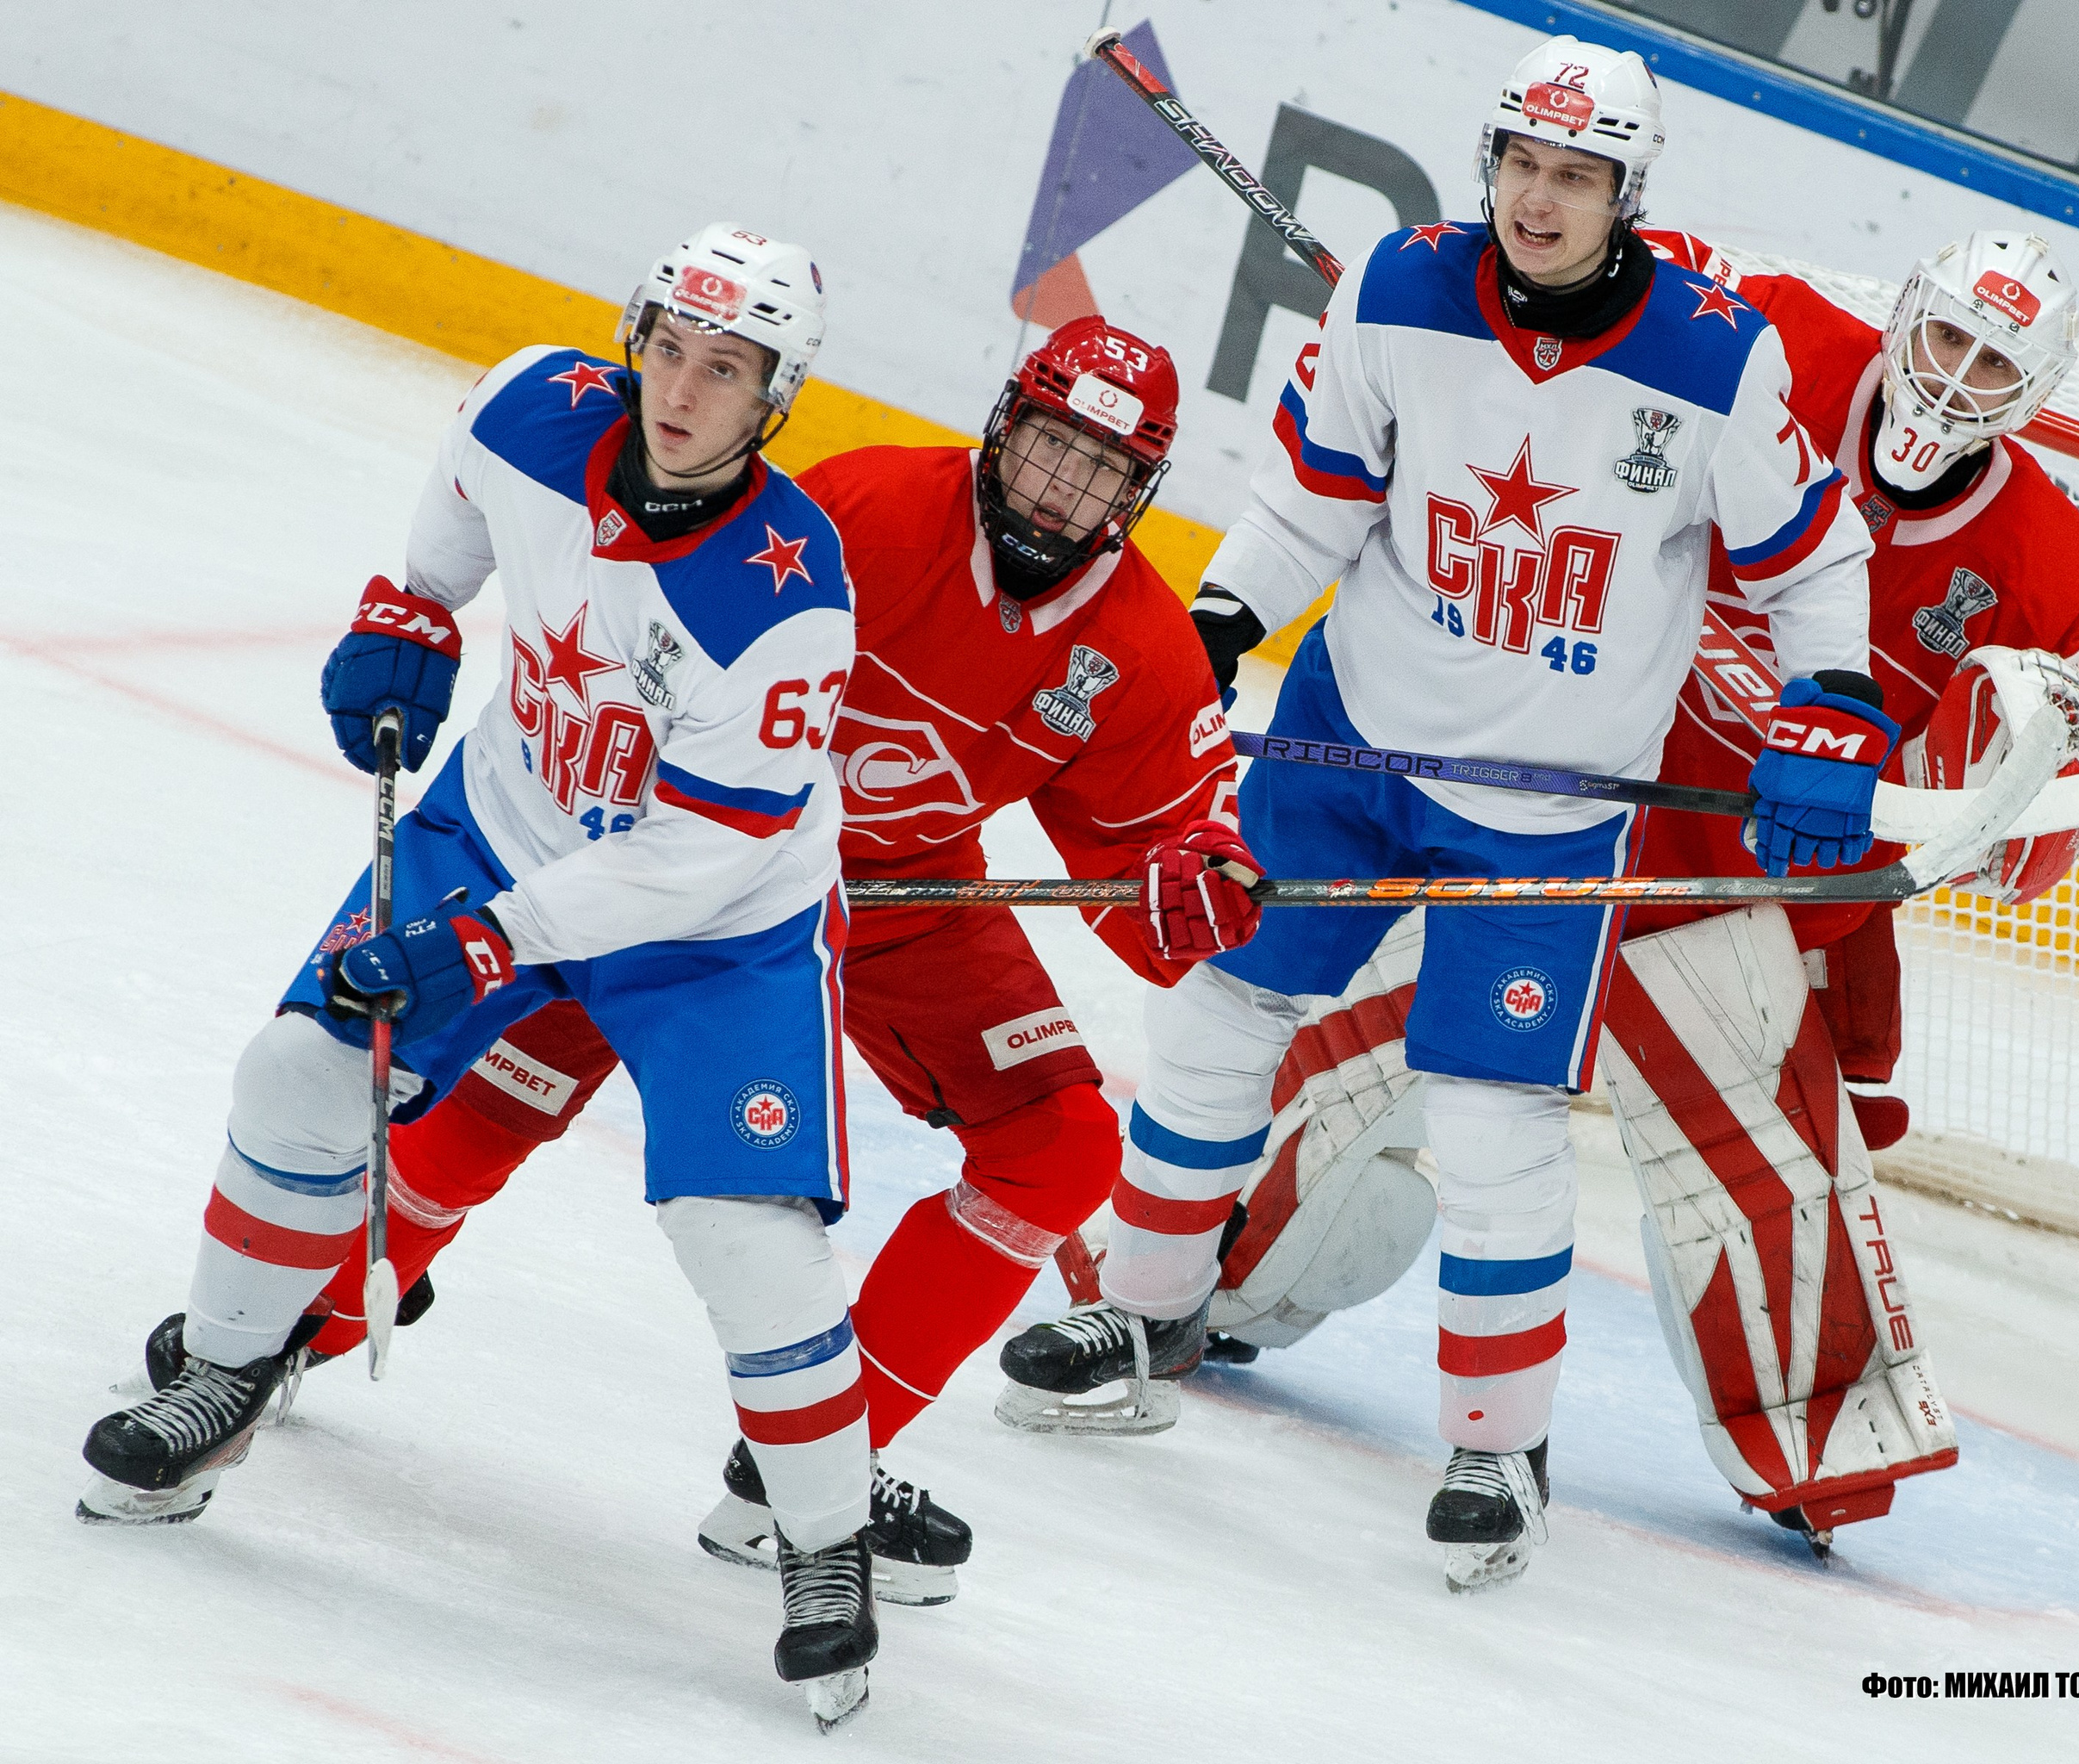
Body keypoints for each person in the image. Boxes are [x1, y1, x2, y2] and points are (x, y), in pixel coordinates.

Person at [146, 315, 1257, 1603]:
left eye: (1103, 471)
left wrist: (1199, 878)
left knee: (1060, 1139)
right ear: (1006, 423)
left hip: (899, 901)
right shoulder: (858, 514)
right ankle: (297, 1327)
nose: (1063, 489)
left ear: (1141, 494)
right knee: (507, 1095)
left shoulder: (1137, 641)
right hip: (685, 878)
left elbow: (1164, 869)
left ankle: (802, 1481)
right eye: (1053, 447)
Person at [997, 34, 1885, 1594]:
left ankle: (1498, 1441)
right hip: (1350, 749)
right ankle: (1143, 1309)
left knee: (1490, 1121)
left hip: (1541, 816)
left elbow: (1813, 562)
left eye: (1578, 176)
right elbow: (1312, 505)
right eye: (1521, 167)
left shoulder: (1718, 360)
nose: (1540, 202)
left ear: (1629, 192)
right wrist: (1212, 626)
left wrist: (1838, 706)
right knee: (1220, 1014)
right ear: (1492, 167)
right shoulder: (1397, 290)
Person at [1188, 227, 2079, 1562]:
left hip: (1741, 892)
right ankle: (1214, 1277)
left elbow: (2018, 830)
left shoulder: (2045, 563)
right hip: (1548, 813)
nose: (1952, 379)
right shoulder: (1777, 335)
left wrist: (1998, 801)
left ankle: (1818, 1443)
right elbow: (1616, 274)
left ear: (2032, 395)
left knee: (1761, 1177)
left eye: (1993, 365)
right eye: (1947, 337)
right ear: (1904, 314)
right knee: (1340, 1078)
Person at [78, 225, 884, 1726]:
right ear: (635, 335)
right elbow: (440, 545)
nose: (683, 391)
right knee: (299, 1069)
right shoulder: (530, 407)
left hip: (718, 924)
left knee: (744, 1231)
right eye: (670, 348)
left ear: (777, 396)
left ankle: (827, 1542)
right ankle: (228, 1373)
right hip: (505, 823)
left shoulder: (789, 595)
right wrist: (406, 619)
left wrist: (496, 941)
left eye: (728, 369)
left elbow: (696, 857)